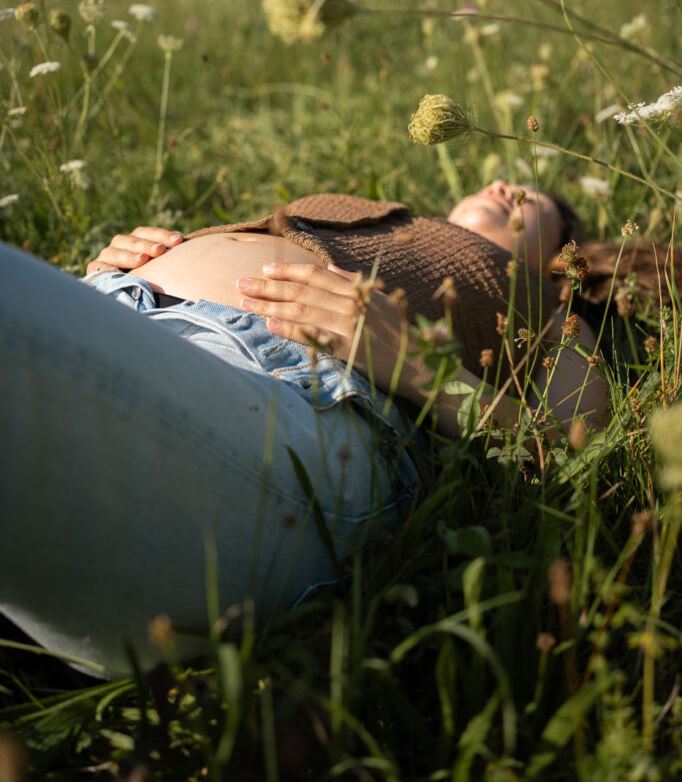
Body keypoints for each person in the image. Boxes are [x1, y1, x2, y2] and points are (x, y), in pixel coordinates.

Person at [0, 181, 607, 677]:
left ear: (558, 257)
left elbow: (565, 446)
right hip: (129, 315)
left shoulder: (545, 303)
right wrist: (103, 282)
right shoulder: (373, 214)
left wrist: (414, 365)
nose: (507, 185)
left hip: (292, 398)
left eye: (535, 203)